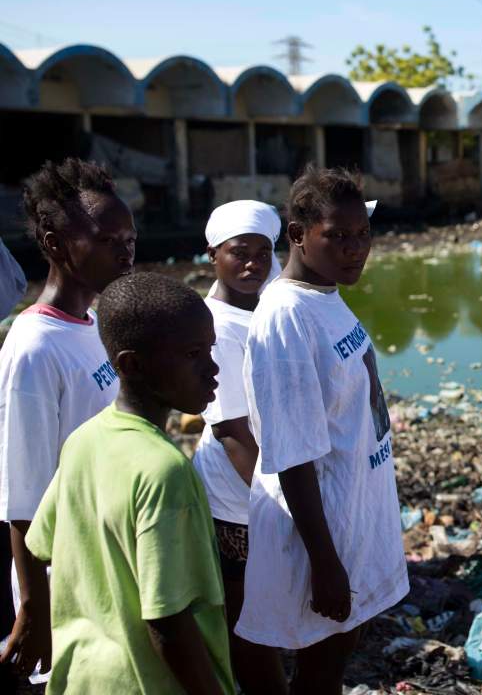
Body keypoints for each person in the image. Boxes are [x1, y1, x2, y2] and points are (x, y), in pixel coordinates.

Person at [236, 167, 407, 694]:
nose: (355, 249)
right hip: (321, 530)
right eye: (336, 236)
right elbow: (290, 452)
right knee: (320, 668)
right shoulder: (286, 316)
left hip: (351, 513)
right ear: (297, 235)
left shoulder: (324, 296)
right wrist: (325, 562)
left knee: (336, 655)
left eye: (362, 236)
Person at [25, 272, 235, 694]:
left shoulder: (84, 440)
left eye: (210, 350)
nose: (212, 368)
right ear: (130, 364)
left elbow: (39, 547)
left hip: (82, 678)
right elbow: (168, 622)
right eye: (193, 354)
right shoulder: (166, 472)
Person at [0, 159, 135, 682]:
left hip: (108, 557)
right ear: (56, 245)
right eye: (107, 239)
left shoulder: (94, 324)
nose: (125, 250)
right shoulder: (34, 349)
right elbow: (23, 495)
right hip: (64, 577)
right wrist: (32, 608)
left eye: (129, 237)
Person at [191, 200, 287, 694]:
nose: (253, 263)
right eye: (239, 252)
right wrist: (278, 503)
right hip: (240, 491)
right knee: (246, 608)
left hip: (271, 475)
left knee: (268, 597)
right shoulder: (215, 326)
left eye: (263, 252)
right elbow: (232, 432)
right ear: (213, 255)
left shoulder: (267, 302)